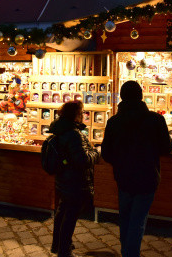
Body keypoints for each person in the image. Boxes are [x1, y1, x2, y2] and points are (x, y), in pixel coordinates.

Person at [101, 81, 172, 257]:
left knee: (125, 218)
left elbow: (106, 153)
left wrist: (120, 162)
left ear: (122, 97)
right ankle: (130, 254)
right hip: (147, 176)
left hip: (123, 177)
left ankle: (127, 251)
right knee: (138, 221)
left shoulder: (114, 121)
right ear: (141, 96)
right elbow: (166, 148)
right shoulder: (155, 120)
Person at [49, 100, 99, 257]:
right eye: (81, 112)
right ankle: (64, 251)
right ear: (76, 115)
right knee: (70, 216)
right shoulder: (73, 134)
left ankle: (58, 245)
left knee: (63, 212)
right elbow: (82, 160)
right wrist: (97, 153)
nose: (83, 115)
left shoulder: (61, 129)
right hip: (75, 181)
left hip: (64, 179)